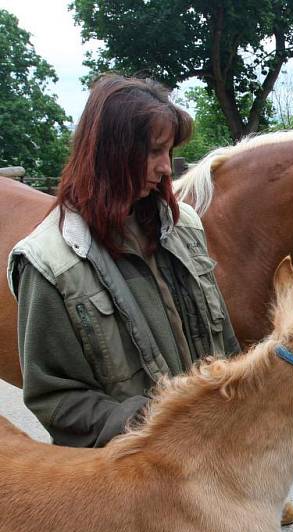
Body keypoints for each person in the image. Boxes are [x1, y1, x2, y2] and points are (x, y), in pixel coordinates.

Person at [8, 74, 240, 447]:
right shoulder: (49, 263)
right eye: (153, 152)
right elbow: (55, 399)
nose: (167, 167)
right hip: (131, 479)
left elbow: (224, 344)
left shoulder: (185, 229)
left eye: (169, 151)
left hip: (209, 457)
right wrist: (159, 418)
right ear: (108, 152)